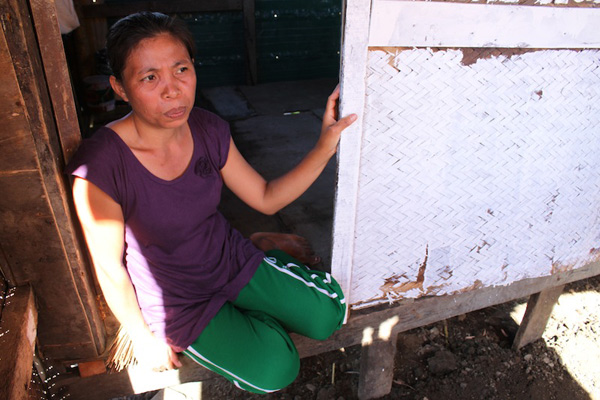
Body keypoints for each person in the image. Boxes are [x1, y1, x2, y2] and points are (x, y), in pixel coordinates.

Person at [66, 11, 356, 394]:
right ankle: (258, 288)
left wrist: (324, 145)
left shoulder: (207, 129)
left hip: (228, 259)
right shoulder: (101, 165)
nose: (172, 90)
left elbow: (266, 198)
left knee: (329, 316)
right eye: (149, 77)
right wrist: (140, 336)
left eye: (181, 69)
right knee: (275, 371)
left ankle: (259, 258)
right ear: (120, 88)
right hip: (178, 300)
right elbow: (110, 269)